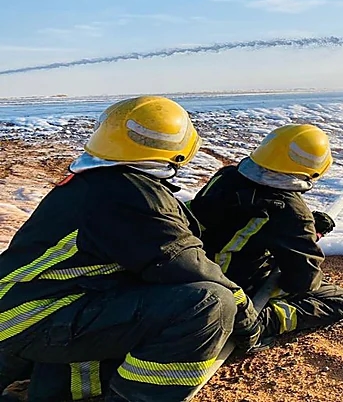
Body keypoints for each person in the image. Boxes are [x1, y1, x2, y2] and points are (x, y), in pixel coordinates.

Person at [0, 96, 262, 402]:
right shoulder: (132, 195)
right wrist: (246, 318)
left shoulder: (98, 181)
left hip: (23, 308)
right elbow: (185, 264)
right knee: (208, 304)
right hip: (32, 319)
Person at [187, 124, 343, 350]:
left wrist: (298, 230)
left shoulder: (226, 176)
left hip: (194, 268)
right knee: (342, 301)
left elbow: (237, 221)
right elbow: (302, 281)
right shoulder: (290, 212)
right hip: (234, 286)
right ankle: (263, 321)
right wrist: (304, 235)